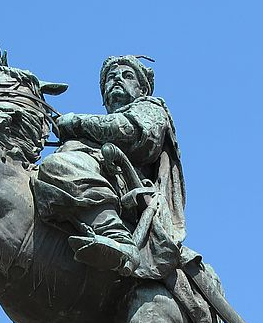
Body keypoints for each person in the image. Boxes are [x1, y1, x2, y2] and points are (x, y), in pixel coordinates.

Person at [35, 55, 188, 279]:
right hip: (100, 178)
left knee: (59, 165)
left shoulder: (150, 107)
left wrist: (75, 123)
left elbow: (133, 132)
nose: (117, 80)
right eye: (110, 78)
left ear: (142, 89)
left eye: (127, 76)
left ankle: (118, 239)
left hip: (126, 189)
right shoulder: (94, 133)